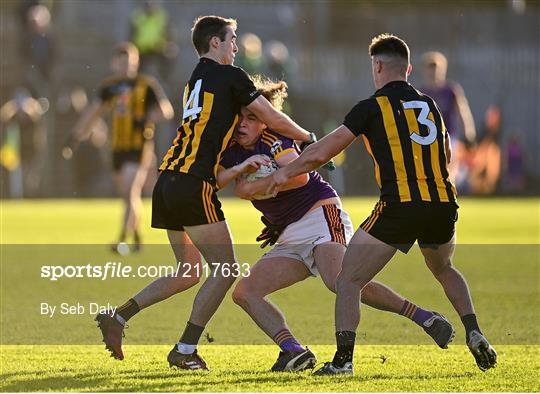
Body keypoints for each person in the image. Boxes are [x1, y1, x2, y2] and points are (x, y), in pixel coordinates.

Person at [94, 16, 316, 370]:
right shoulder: (231, 76)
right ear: (215, 42)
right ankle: (184, 350)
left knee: (188, 270)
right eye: (232, 39)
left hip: (168, 179)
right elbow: (270, 116)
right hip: (193, 182)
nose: (236, 47)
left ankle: (119, 317)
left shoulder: (194, 79)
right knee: (226, 270)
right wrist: (307, 138)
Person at [267, 34, 497, 375]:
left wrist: (280, 175)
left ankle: (343, 362)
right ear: (407, 68)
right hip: (442, 203)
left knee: (348, 280)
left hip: (400, 205)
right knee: (444, 268)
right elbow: (446, 153)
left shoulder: (371, 107)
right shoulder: (430, 105)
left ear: (376, 66)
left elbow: (320, 153)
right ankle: (474, 330)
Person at [218, 76, 455, 372]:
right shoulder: (232, 150)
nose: (243, 123)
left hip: (320, 215)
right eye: (239, 116)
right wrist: (256, 188)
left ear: (266, 121)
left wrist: (262, 184)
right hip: (291, 231)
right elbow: (236, 189)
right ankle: (293, 351)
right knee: (245, 292)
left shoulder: (274, 141)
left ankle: (423, 317)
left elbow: (299, 176)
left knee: (341, 282)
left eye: (252, 117)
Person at [65, 42, 174, 251]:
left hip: (139, 146)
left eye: (130, 62)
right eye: (122, 62)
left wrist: (145, 118)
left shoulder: (146, 84)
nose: (126, 67)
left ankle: (122, 239)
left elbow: (166, 112)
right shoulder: (110, 86)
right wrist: (75, 136)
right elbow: (93, 112)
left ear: (136, 63)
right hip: (116, 147)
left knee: (130, 190)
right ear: (114, 63)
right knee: (127, 195)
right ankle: (137, 236)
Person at [420, 51, 476, 183]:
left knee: (448, 172)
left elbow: (463, 112)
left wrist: (469, 133)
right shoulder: (420, 93)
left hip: (449, 137)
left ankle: (448, 198)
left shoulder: (451, 91)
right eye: (430, 68)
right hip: (427, 138)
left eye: (437, 68)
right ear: (425, 71)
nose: (433, 72)